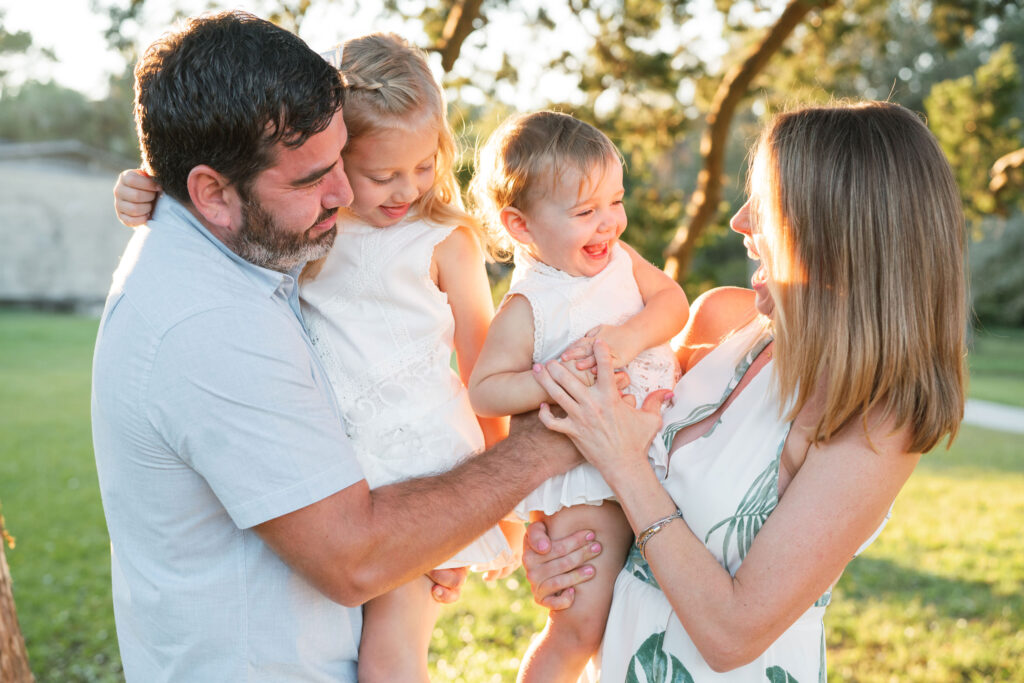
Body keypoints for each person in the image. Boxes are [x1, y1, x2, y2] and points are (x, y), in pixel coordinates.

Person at [92, 12, 583, 682]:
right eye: (316, 176)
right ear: (212, 193)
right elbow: (356, 556)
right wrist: (539, 454)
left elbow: (481, 368)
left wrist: (482, 515)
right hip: (266, 662)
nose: (347, 194)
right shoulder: (210, 318)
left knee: (397, 650)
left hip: (410, 468)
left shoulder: (259, 238)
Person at [522, 101, 966, 681]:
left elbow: (732, 635)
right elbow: (618, 492)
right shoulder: (719, 320)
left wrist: (623, 465)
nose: (739, 220)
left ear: (837, 232)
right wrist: (563, 552)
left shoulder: (876, 416)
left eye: (769, 204)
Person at [467, 110, 689, 682]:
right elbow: (486, 391)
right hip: (587, 484)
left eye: (616, 201)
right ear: (521, 226)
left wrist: (627, 338)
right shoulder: (530, 305)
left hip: (655, 456)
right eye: (585, 212)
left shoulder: (622, 259)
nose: (609, 222)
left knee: (641, 616)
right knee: (580, 625)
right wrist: (553, 379)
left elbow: (673, 303)